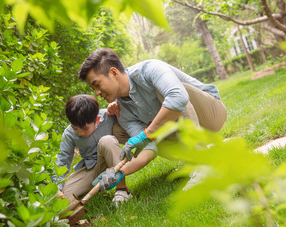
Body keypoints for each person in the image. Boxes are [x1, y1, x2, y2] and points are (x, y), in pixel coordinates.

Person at [78, 48, 227, 190]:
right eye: (93, 89)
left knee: (173, 95)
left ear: (113, 72)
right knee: (130, 132)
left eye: (97, 85)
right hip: (187, 126)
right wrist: (121, 172)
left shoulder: (149, 69)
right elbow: (149, 148)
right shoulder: (122, 111)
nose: (97, 92)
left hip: (211, 115)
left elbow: (179, 98)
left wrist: (147, 133)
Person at [51, 94, 133, 206]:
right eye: (76, 128)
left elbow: (132, 111)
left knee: (107, 140)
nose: (80, 132)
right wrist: (57, 188)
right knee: (65, 197)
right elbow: (62, 162)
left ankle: (122, 190)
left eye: (85, 129)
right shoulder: (69, 134)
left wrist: (117, 105)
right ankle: (98, 186)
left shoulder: (108, 116)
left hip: (111, 161)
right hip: (91, 169)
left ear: (97, 119)